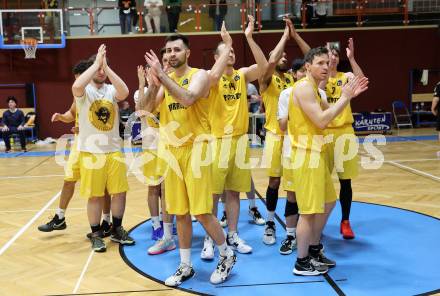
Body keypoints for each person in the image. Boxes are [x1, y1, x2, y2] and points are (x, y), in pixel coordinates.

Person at [142, 32, 236, 286]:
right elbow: (148, 111)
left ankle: (227, 255)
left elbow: (187, 98)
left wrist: (161, 77)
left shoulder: (200, 76)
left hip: (197, 149)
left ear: (187, 53)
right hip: (172, 150)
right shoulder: (165, 80)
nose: (171, 54)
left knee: (202, 212)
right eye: (168, 50)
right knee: (180, 212)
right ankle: (185, 266)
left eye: (176, 50)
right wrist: (152, 83)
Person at [288, 46, 368, 275]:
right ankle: (301, 262)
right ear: (308, 66)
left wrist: (348, 97)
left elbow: (332, 111)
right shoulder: (303, 88)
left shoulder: (315, 89)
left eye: (327, 63)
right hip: (306, 155)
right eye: (320, 63)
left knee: (329, 202)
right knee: (309, 212)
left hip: (317, 153)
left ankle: (313, 249)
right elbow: (323, 121)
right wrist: (345, 97)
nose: (325, 67)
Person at [203, 16, 267, 259]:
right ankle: (210, 238)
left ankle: (232, 234)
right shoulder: (211, 77)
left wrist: (248, 38)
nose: (230, 54)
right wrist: (227, 44)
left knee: (234, 192)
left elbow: (264, 66)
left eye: (231, 52)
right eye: (225, 52)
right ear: (217, 57)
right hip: (217, 140)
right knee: (213, 193)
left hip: (240, 141)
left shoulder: (241, 75)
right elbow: (213, 78)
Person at [38, 60, 113, 237]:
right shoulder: (78, 94)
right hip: (79, 144)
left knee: (102, 187)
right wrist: (61, 117)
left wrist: (86, 127)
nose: (77, 83)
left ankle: (107, 221)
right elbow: (72, 114)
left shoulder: (101, 93)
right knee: (68, 180)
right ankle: (60, 217)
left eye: (79, 79)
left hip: (97, 145)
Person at [72, 44, 134, 252]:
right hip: (91, 153)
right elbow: (76, 86)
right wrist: (96, 64)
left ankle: (117, 229)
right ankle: (96, 233)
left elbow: (125, 92)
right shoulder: (84, 91)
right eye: (97, 68)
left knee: (119, 193)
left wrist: (106, 67)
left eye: (102, 68)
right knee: (95, 195)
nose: (100, 72)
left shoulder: (110, 90)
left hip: (114, 150)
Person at [258, 19, 310, 247]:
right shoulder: (266, 80)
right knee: (274, 182)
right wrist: (284, 36)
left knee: (292, 186)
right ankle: (270, 223)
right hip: (273, 135)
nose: (284, 58)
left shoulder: (293, 79)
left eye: (285, 58)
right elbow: (270, 60)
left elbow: (312, 59)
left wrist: (295, 36)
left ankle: (292, 228)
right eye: (281, 56)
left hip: (294, 137)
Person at [322, 38, 365, 240]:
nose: (333, 56)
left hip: (344, 132)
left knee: (345, 181)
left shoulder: (345, 76)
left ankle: (345, 221)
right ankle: (316, 220)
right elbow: (317, 88)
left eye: (336, 54)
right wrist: (326, 68)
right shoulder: (319, 79)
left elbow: (362, 80)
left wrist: (352, 58)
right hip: (323, 133)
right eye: (329, 53)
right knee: (320, 180)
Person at [276, 58, 308, 255]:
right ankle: (290, 235)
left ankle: (309, 234)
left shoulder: (318, 94)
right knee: (292, 196)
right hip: (291, 151)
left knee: (310, 197)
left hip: (313, 152)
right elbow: (281, 125)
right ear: (294, 74)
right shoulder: (286, 94)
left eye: (307, 70)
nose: (304, 74)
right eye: (301, 71)